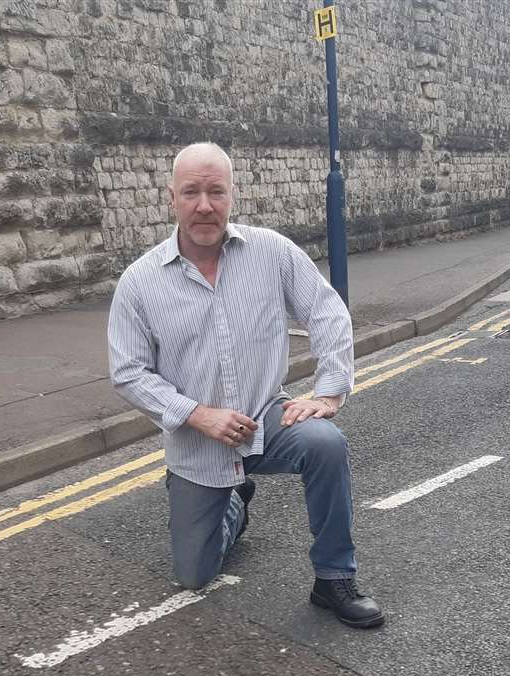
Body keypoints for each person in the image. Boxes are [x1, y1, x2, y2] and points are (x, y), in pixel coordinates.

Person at [107, 142, 384, 628]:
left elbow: (326, 312)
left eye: (216, 191)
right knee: (194, 573)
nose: (204, 205)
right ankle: (235, 504)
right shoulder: (139, 282)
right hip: (197, 442)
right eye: (191, 192)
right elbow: (128, 371)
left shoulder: (271, 252)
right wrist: (197, 414)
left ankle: (334, 578)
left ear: (232, 195)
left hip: (266, 416)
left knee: (325, 443)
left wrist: (329, 391)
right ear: (171, 197)